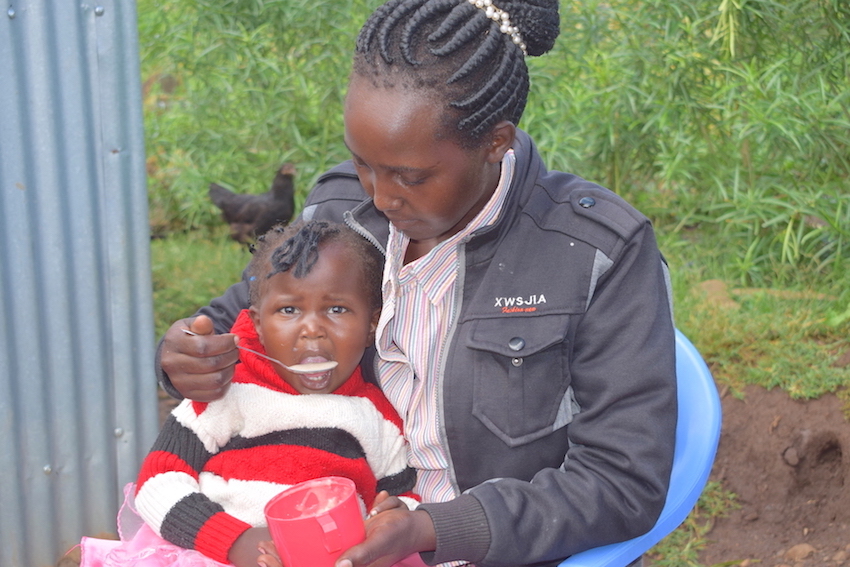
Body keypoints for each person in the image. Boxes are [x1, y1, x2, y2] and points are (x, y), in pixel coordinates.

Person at [158, 1, 678, 566]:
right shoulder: (339, 212)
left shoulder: (596, 252)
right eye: (363, 164)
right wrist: (186, 355)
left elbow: (622, 482)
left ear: (495, 142)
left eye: (410, 177)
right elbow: (244, 320)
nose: (380, 198)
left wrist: (433, 529)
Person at [82, 221, 419, 567]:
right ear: (257, 323)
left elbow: (400, 505)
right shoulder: (229, 391)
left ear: (372, 325)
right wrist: (237, 541)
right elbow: (158, 482)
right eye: (289, 310)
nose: (312, 330)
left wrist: (384, 523)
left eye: (337, 309)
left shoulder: (379, 420)